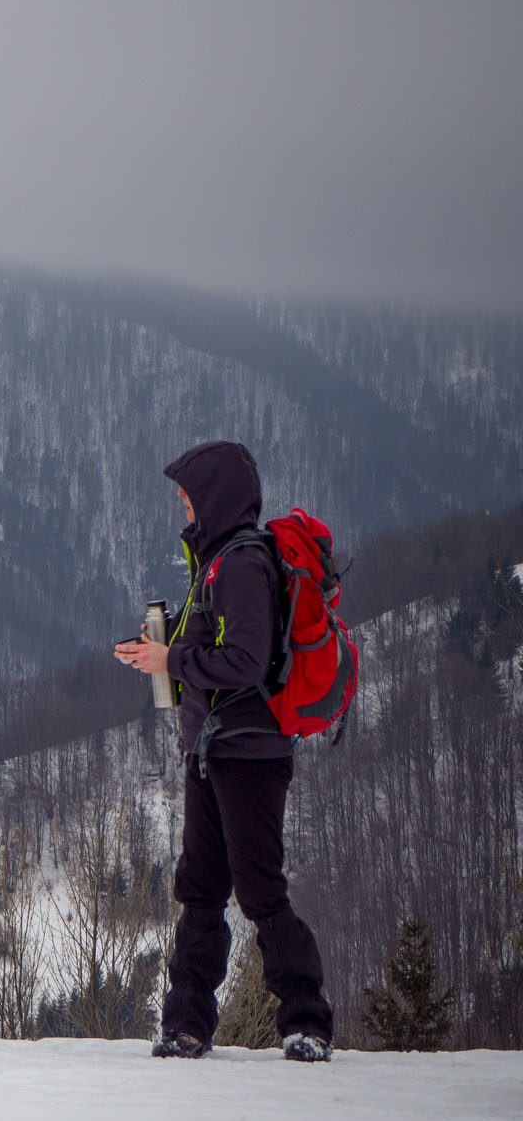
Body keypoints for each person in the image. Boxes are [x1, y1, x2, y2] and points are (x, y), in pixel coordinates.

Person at [114, 441, 334, 1062]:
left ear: (212, 496)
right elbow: (208, 651)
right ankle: (186, 1025)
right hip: (211, 749)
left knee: (259, 889)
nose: (182, 505)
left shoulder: (240, 565)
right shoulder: (214, 562)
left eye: (187, 495)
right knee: (200, 887)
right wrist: (157, 653)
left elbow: (244, 659)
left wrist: (170, 658)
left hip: (250, 753)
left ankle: (306, 1022)